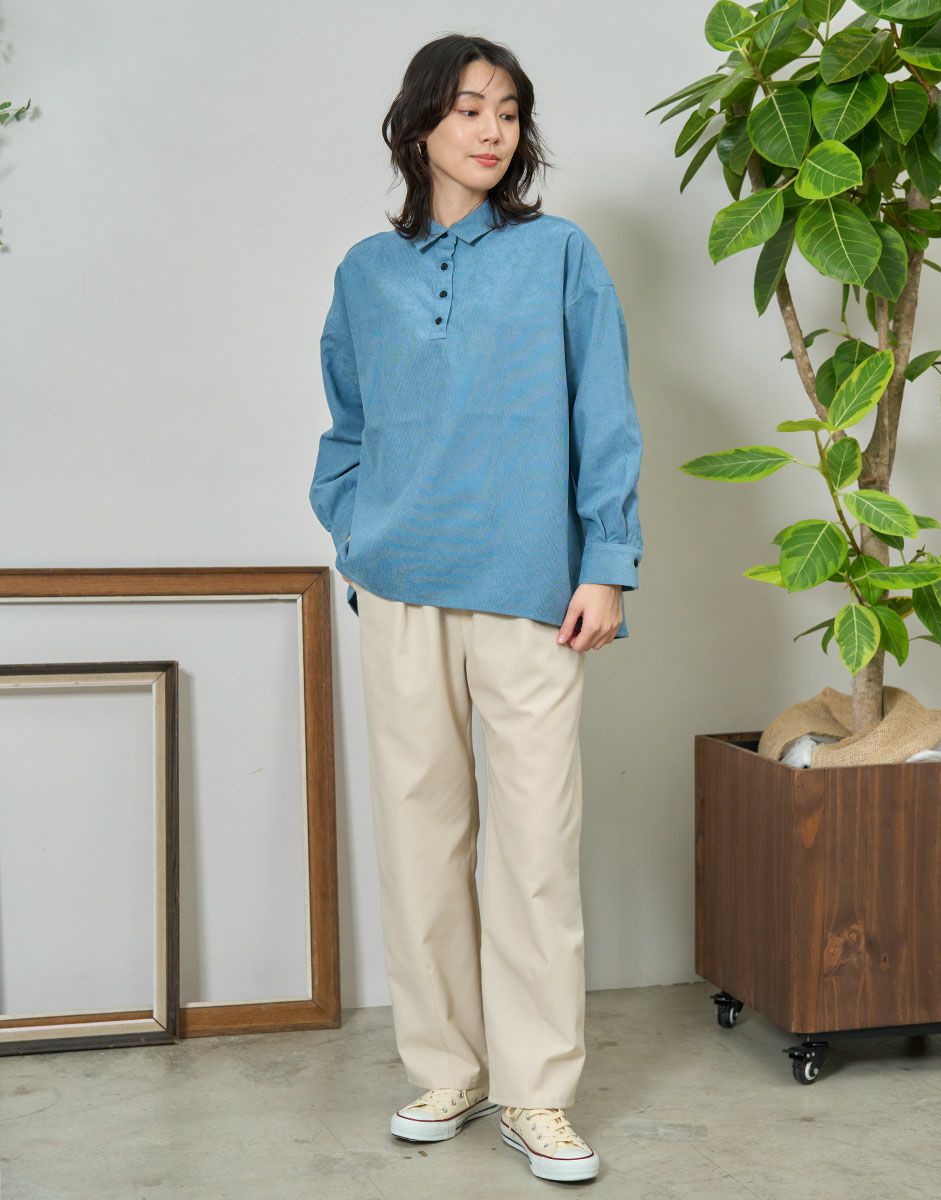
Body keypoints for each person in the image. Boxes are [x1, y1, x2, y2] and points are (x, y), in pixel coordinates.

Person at [308, 33, 643, 1186]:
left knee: (535, 850)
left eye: (508, 109)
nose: (492, 128)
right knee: (420, 841)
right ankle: (445, 1067)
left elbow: (606, 415)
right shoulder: (366, 273)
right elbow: (348, 425)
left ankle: (536, 1092)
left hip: (532, 593)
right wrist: (354, 536)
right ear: (418, 128)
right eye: (467, 109)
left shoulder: (559, 255)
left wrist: (607, 562)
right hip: (400, 590)